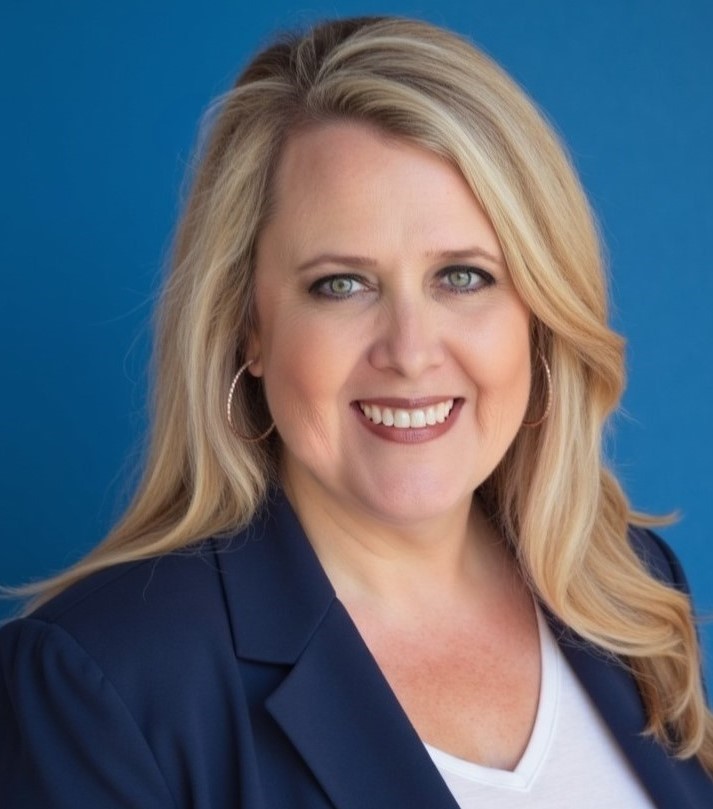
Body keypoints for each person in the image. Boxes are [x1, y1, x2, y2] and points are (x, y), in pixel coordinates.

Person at [1, 15, 711, 808]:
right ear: (250, 328)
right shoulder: (106, 682)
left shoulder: (622, 588)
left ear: (538, 311)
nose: (409, 350)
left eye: (463, 276)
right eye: (341, 283)